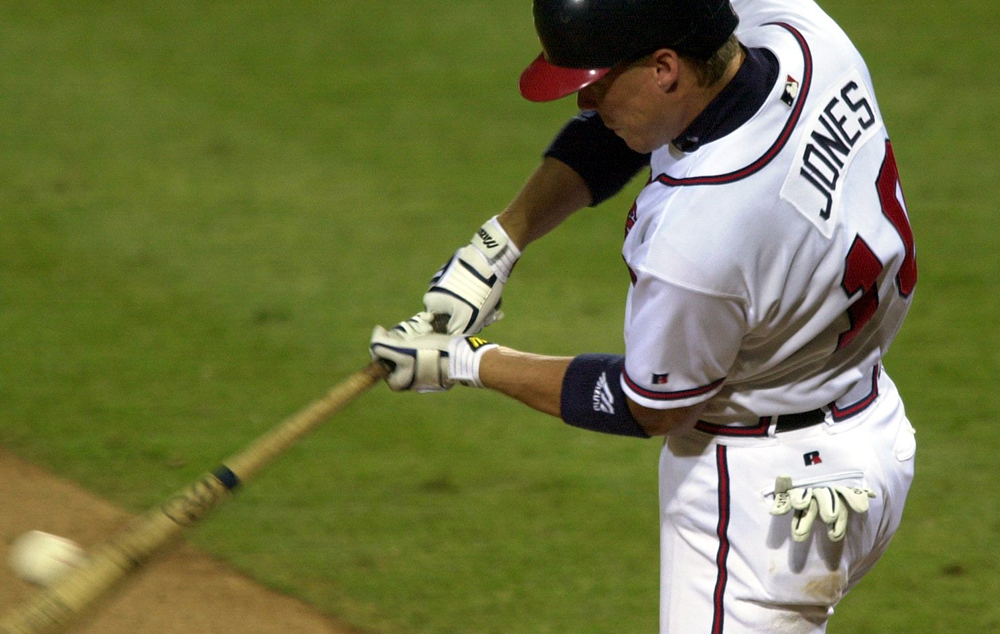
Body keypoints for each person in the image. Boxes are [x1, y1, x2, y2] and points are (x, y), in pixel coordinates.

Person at [369, 0, 918, 630]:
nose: (584, 102)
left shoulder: (699, 236)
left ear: (664, 67)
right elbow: (634, 124)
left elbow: (652, 405)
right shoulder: (806, 39)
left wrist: (469, 363)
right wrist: (500, 243)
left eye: (597, 84)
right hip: (871, 431)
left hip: (766, 503)